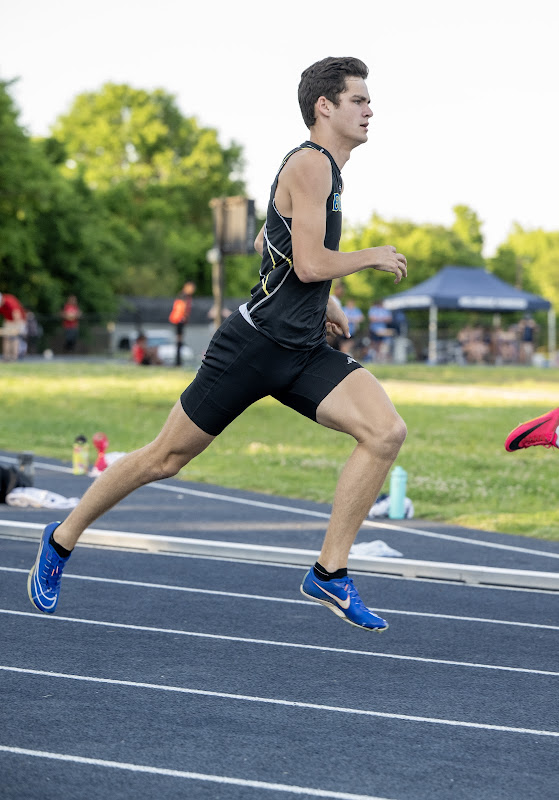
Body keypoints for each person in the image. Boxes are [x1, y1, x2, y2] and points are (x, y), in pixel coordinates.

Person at [27, 56, 407, 632]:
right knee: (165, 458)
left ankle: (329, 573)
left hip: (302, 349)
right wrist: (367, 259)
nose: (370, 109)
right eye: (359, 99)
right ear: (324, 106)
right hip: (251, 349)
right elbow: (307, 262)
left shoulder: (325, 169)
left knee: (385, 432)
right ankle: (60, 540)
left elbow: (269, 240)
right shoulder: (310, 163)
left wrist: (322, 299)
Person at [169, 281, 196, 366]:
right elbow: (182, 308)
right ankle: (177, 362)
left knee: (179, 341)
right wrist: (184, 317)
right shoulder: (184, 296)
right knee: (179, 341)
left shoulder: (184, 296)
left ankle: (178, 361)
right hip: (179, 321)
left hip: (179, 320)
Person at [0, 291, 26, 362]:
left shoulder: (9, 301)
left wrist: (16, 329)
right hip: (8, 320)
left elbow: (17, 316)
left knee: (14, 338)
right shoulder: (2, 303)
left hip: (18, 320)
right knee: (6, 338)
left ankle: (14, 357)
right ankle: (6, 357)